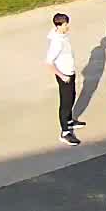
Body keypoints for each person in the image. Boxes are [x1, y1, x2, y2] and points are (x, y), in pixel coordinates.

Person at [45, 12, 83, 145]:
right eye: (66, 24)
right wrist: (62, 76)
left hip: (70, 73)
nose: (68, 27)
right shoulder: (56, 42)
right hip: (64, 75)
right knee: (65, 103)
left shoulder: (61, 34)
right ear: (59, 25)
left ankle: (69, 121)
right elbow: (49, 63)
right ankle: (65, 132)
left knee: (72, 96)